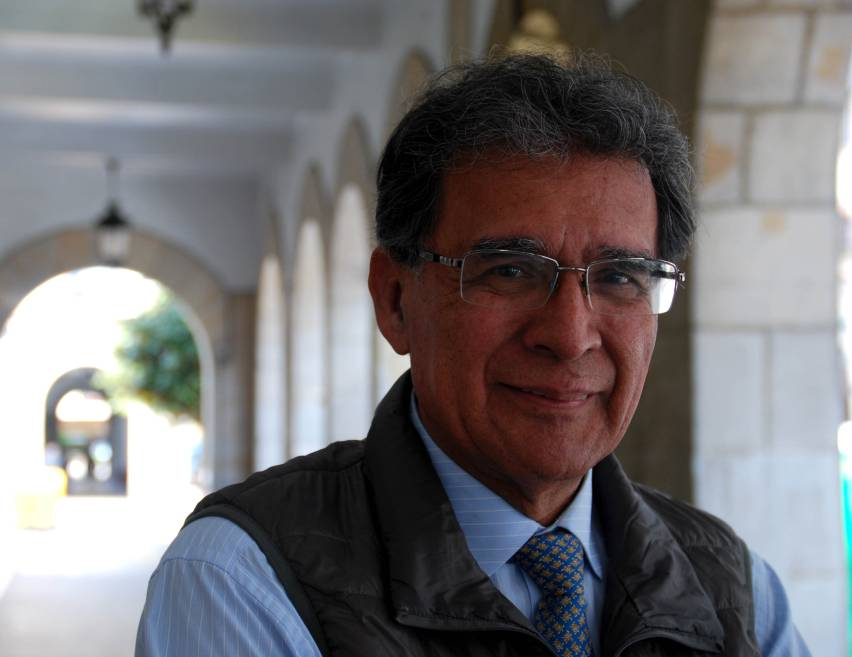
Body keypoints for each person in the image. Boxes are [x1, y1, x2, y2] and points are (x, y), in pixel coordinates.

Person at [136, 53, 811, 657]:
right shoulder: (244, 580)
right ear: (395, 300)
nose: (570, 334)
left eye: (618, 277)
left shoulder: (736, 587)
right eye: (510, 271)